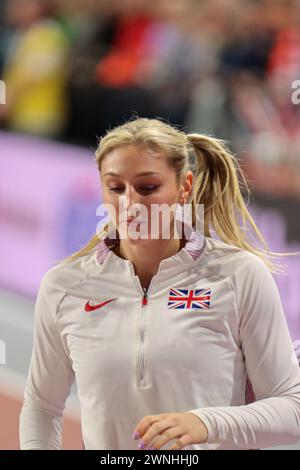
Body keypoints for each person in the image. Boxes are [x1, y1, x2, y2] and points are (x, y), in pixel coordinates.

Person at [19, 117, 300, 450]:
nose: (130, 203)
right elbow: (42, 406)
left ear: (184, 187)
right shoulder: (64, 287)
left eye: (148, 187)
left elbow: (292, 409)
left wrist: (205, 423)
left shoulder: (239, 275)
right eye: (116, 187)